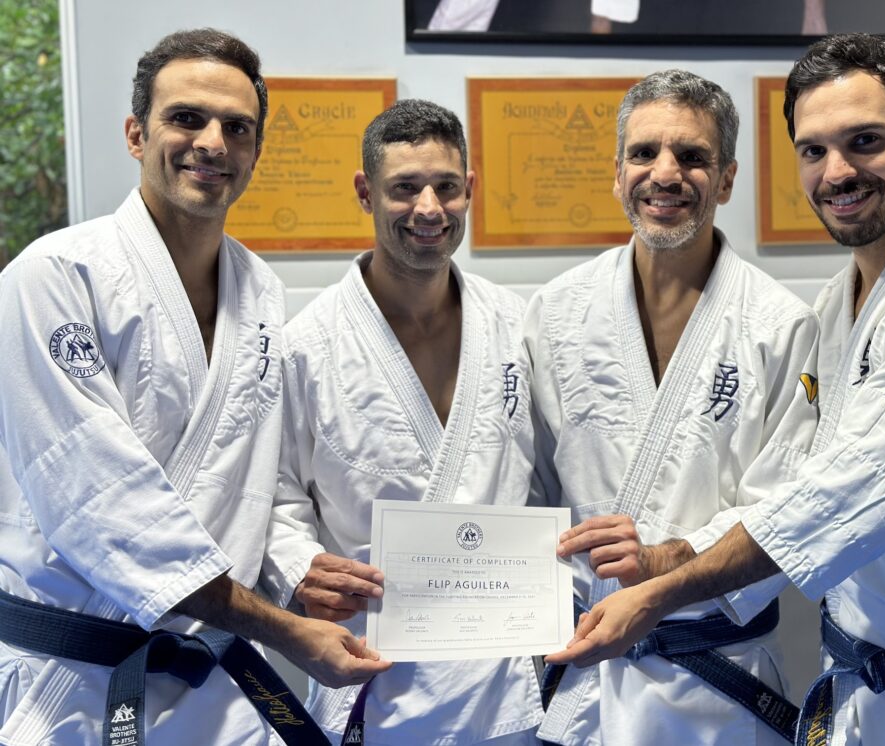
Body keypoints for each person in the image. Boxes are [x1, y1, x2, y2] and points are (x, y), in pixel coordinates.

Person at [547, 34, 885, 746]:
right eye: (813, 150)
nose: (837, 172)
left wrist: (660, 588)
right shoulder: (838, 305)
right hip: (868, 692)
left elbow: (849, 495)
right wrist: (659, 559)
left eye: (864, 141)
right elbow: (798, 482)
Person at [0, 28, 388, 746]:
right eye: (186, 118)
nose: (212, 142)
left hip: (214, 692)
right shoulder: (53, 277)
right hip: (73, 686)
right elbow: (100, 499)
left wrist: (302, 570)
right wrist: (279, 626)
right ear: (135, 133)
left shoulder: (262, 294)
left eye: (236, 128)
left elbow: (254, 480)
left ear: (255, 152)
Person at [526, 70, 820, 745]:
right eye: (644, 153)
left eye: (691, 156)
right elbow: (528, 486)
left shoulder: (782, 324)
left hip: (719, 684)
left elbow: (788, 508)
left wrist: (662, 561)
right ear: (617, 171)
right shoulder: (557, 310)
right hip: (584, 679)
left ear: (726, 179)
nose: (665, 174)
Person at [260, 99, 544, 745]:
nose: (428, 209)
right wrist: (300, 565)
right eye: (404, 188)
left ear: (469, 190)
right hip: (370, 671)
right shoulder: (307, 344)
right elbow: (273, 490)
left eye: (446, 187)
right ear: (366, 192)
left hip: (501, 679)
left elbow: (544, 479)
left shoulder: (515, 325)